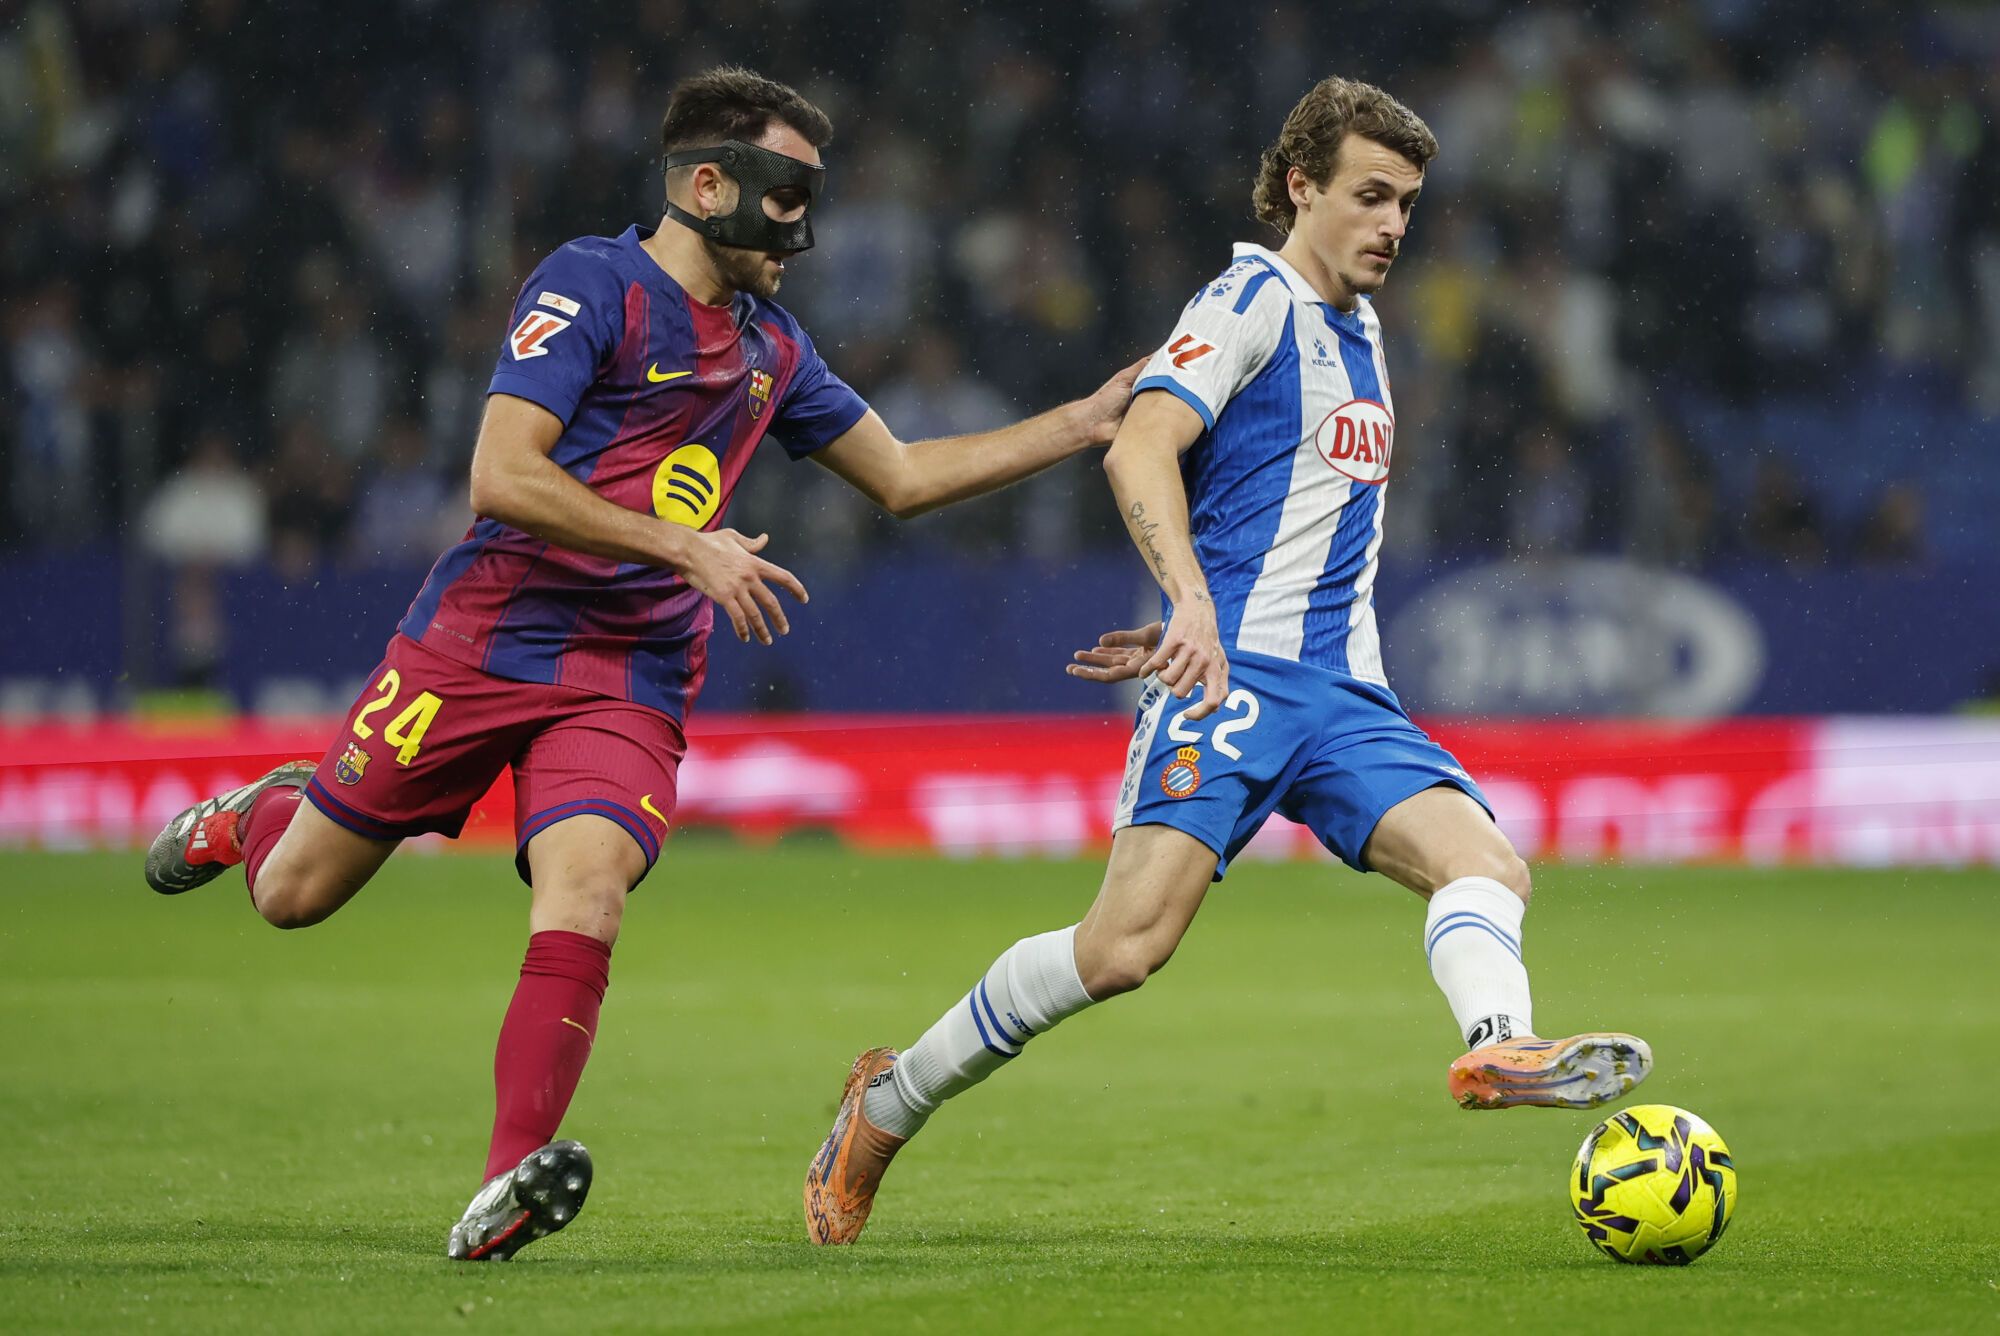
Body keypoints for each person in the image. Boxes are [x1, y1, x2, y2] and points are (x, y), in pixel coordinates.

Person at [142, 66, 1138, 1262]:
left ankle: (501, 1185)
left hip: (630, 670)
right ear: (705, 182)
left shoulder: (774, 349)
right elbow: (501, 475)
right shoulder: (589, 285)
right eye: (782, 196)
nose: (800, 229)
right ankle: (260, 814)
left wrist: (1079, 421)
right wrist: (684, 543)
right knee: (292, 896)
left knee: (588, 892)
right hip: (486, 636)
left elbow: (907, 477)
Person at [804, 76, 1653, 1247]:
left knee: (1489, 867)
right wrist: (1196, 609)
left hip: (1345, 690)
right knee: (1120, 949)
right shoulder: (1243, 295)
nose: (1392, 224)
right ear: (1299, 187)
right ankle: (886, 1101)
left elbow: (1272, 507)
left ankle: (1495, 1044)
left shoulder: (1360, 333)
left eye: (1405, 202)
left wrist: (1212, 588)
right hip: (1235, 682)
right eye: (1368, 196)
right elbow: (1140, 447)